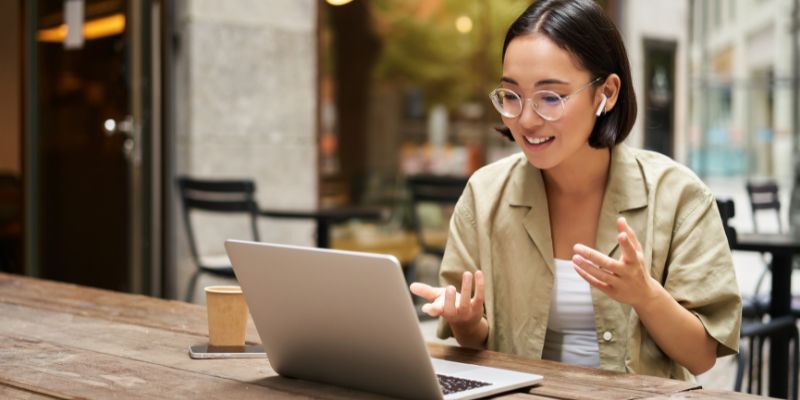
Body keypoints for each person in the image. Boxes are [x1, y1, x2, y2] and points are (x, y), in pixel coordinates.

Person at [410, 0, 741, 381]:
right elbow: (474, 350)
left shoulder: (679, 196)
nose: (527, 119)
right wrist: (467, 324)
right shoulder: (485, 195)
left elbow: (701, 358)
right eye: (512, 96)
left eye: (550, 97)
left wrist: (645, 295)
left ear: (608, 93)